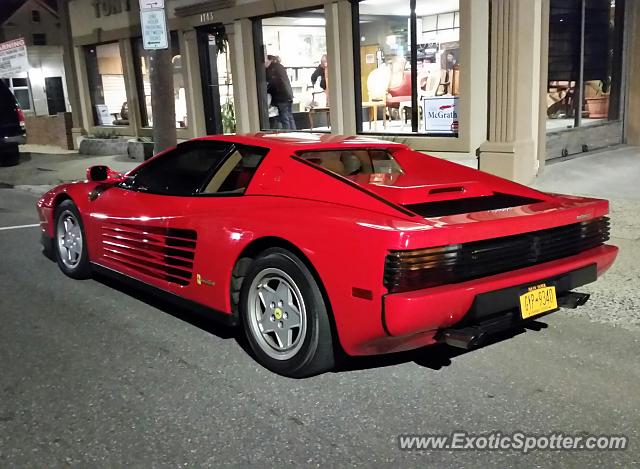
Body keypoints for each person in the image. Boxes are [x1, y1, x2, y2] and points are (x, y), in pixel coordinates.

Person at [265, 54, 296, 130]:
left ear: (270, 60)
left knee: (285, 118)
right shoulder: (280, 67)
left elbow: (273, 83)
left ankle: (288, 135)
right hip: (288, 95)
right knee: (290, 117)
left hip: (281, 97)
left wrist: (267, 90)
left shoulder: (272, 69)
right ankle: (295, 133)